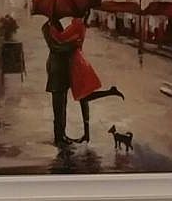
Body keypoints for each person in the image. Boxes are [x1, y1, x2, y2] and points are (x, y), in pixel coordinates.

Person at [48, 10, 124, 143]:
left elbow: (60, 39)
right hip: (78, 62)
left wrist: (52, 30)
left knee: (84, 97)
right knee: (84, 98)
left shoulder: (76, 25)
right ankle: (87, 134)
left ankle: (110, 92)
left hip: (76, 65)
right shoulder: (80, 25)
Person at [42, 17, 78, 147]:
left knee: (63, 105)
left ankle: (62, 134)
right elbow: (55, 47)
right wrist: (72, 45)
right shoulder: (46, 27)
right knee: (58, 106)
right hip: (56, 70)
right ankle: (58, 137)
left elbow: (61, 41)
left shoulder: (56, 24)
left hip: (62, 69)